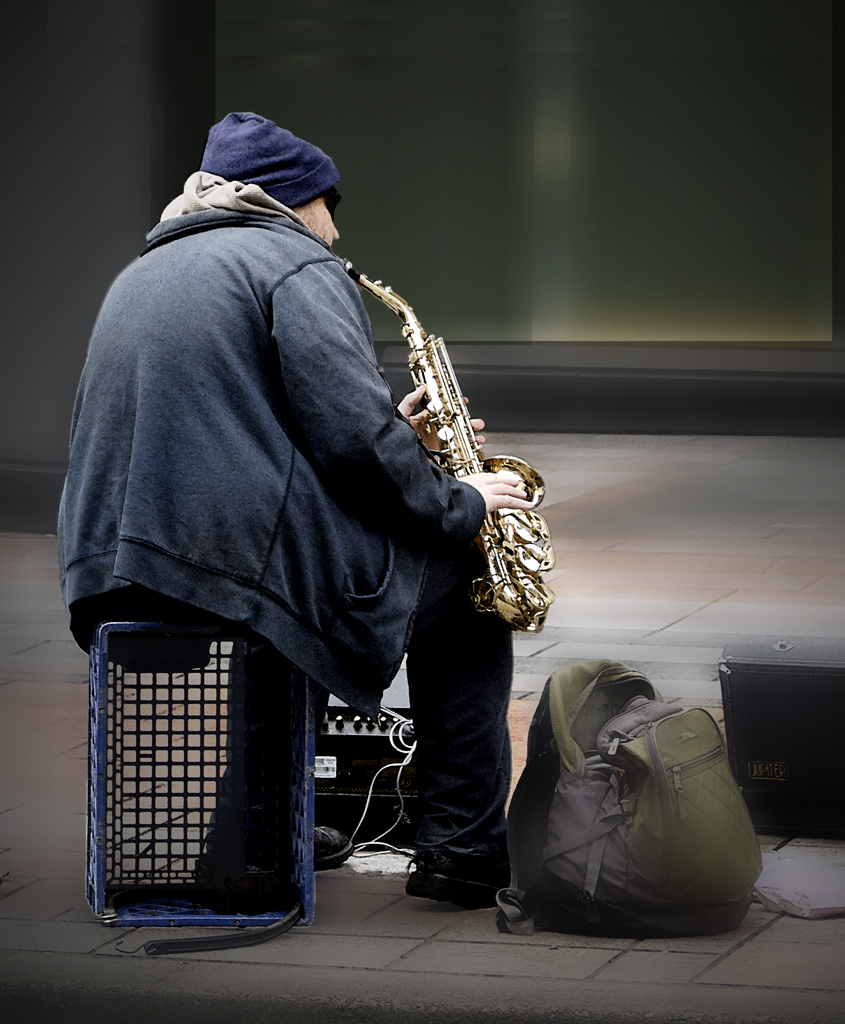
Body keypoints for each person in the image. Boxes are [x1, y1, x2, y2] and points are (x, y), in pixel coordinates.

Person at [58, 112, 534, 909]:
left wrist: (400, 435)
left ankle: (265, 825)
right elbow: (350, 445)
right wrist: (458, 500)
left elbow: (262, 431)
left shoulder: (144, 269)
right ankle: (462, 849)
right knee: (470, 581)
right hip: (222, 562)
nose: (337, 230)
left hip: (113, 569)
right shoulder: (293, 263)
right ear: (299, 201)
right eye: (331, 205)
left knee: (298, 582)